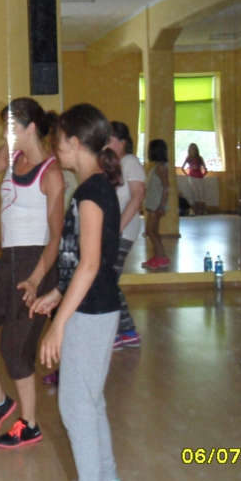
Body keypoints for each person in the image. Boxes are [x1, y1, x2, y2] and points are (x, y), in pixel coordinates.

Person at [30, 103, 126, 481]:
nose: (55, 148)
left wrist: (58, 325)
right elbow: (85, 263)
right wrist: (56, 293)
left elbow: (89, 264)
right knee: (90, 400)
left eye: (58, 141)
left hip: (90, 313)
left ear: (73, 142)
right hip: (96, 306)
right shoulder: (95, 187)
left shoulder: (91, 193)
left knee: (75, 407)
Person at [0, 97, 64, 448]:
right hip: (7, 262)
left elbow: (56, 238)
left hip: (37, 264)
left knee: (14, 349)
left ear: (30, 128)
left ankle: (30, 424)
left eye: (11, 128)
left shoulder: (51, 173)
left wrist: (35, 280)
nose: (5, 135)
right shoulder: (9, 156)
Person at [107, 122, 146, 349]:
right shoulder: (112, 166)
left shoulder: (130, 161)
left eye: (110, 140)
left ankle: (118, 330)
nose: (106, 144)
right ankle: (127, 330)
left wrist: (118, 227)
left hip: (124, 230)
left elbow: (137, 196)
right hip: (114, 230)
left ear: (123, 142)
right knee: (109, 279)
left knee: (108, 279)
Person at [142, 139, 170, 270]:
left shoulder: (160, 168)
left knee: (150, 232)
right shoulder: (158, 166)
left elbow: (166, 187)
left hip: (155, 206)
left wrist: (161, 206)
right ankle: (160, 257)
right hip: (153, 204)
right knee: (154, 232)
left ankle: (161, 258)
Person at [181, 142, 208, 215]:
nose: (193, 150)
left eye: (194, 149)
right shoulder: (188, 158)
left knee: (201, 195)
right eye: (191, 149)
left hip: (200, 178)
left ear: (196, 149)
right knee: (195, 195)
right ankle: (197, 211)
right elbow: (182, 168)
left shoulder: (200, 158)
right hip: (192, 178)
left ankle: (203, 211)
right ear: (189, 150)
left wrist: (203, 175)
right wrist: (188, 175)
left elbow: (206, 169)